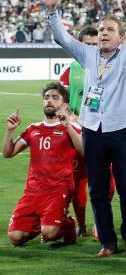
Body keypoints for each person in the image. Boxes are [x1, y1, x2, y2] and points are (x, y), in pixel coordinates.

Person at [44, 0, 126, 257]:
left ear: (120, 37)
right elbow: (61, 38)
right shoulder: (88, 54)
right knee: (98, 191)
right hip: (92, 130)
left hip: (122, 129)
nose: (103, 33)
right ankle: (108, 242)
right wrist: (52, 12)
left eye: (109, 30)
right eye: (101, 29)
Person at [3, 82, 82, 246]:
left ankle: (67, 223)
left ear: (64, 104)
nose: (49, 101)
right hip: (33, 191)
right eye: (46, 98)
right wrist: (10, 131)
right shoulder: (33, 129)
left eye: (55, 97)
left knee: (50, 234)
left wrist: (67, 126)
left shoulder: (71, 126)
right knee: (15, 238)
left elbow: (83, 151)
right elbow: (8, 153)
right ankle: (48, 220)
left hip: (58, 189)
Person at [58, 25, 116, 237]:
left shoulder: (108, 68)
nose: (92, 48)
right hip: (75, 131)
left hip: (100, 130)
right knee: (79, 181)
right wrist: (68, 113)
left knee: (107, 183)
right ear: (80, 45)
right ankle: (81, 225)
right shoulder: (71, 69)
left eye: (95, 44)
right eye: (87, 45)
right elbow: (60, 98)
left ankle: (99, 222)